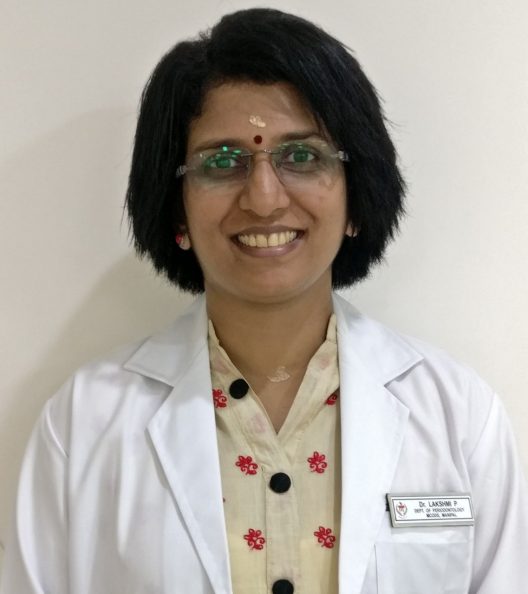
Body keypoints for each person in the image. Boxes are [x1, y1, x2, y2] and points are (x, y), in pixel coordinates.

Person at [1, 8, 527, 594]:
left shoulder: (459, 418)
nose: (264, 199)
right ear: (177, 210)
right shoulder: (84, 425)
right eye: (222, 162)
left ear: (355, 198)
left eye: (301, 157)